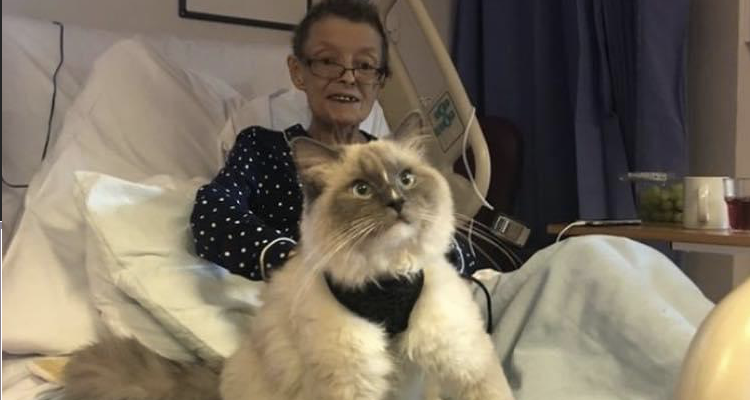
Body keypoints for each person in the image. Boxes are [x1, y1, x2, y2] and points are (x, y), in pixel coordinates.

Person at [190, 0, 477, 282]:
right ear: (298, 72)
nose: (348, 78)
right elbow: (214, 211)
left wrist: (442, 264)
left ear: (381, 81)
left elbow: (446, 234)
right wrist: (293, 262)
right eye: (328, 62)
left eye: (365, 65)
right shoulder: (263, 149)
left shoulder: (395, 161)